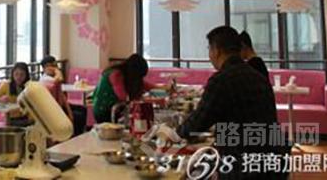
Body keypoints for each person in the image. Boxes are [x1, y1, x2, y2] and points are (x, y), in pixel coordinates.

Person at [177, 26, 287, 179]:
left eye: (209, 49)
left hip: (242, 167)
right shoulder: (257, 76)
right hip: (273, 162)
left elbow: (198, 122)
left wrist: (174, 133)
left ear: (216, 50)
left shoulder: (221, 80)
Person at [92, 53, 154, 123]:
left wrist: (160, 89)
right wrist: (141, 99)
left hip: (114, 108)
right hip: (103, 109)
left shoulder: (126, 74)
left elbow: (145, 85)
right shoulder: (116, 75)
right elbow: (122, 96)